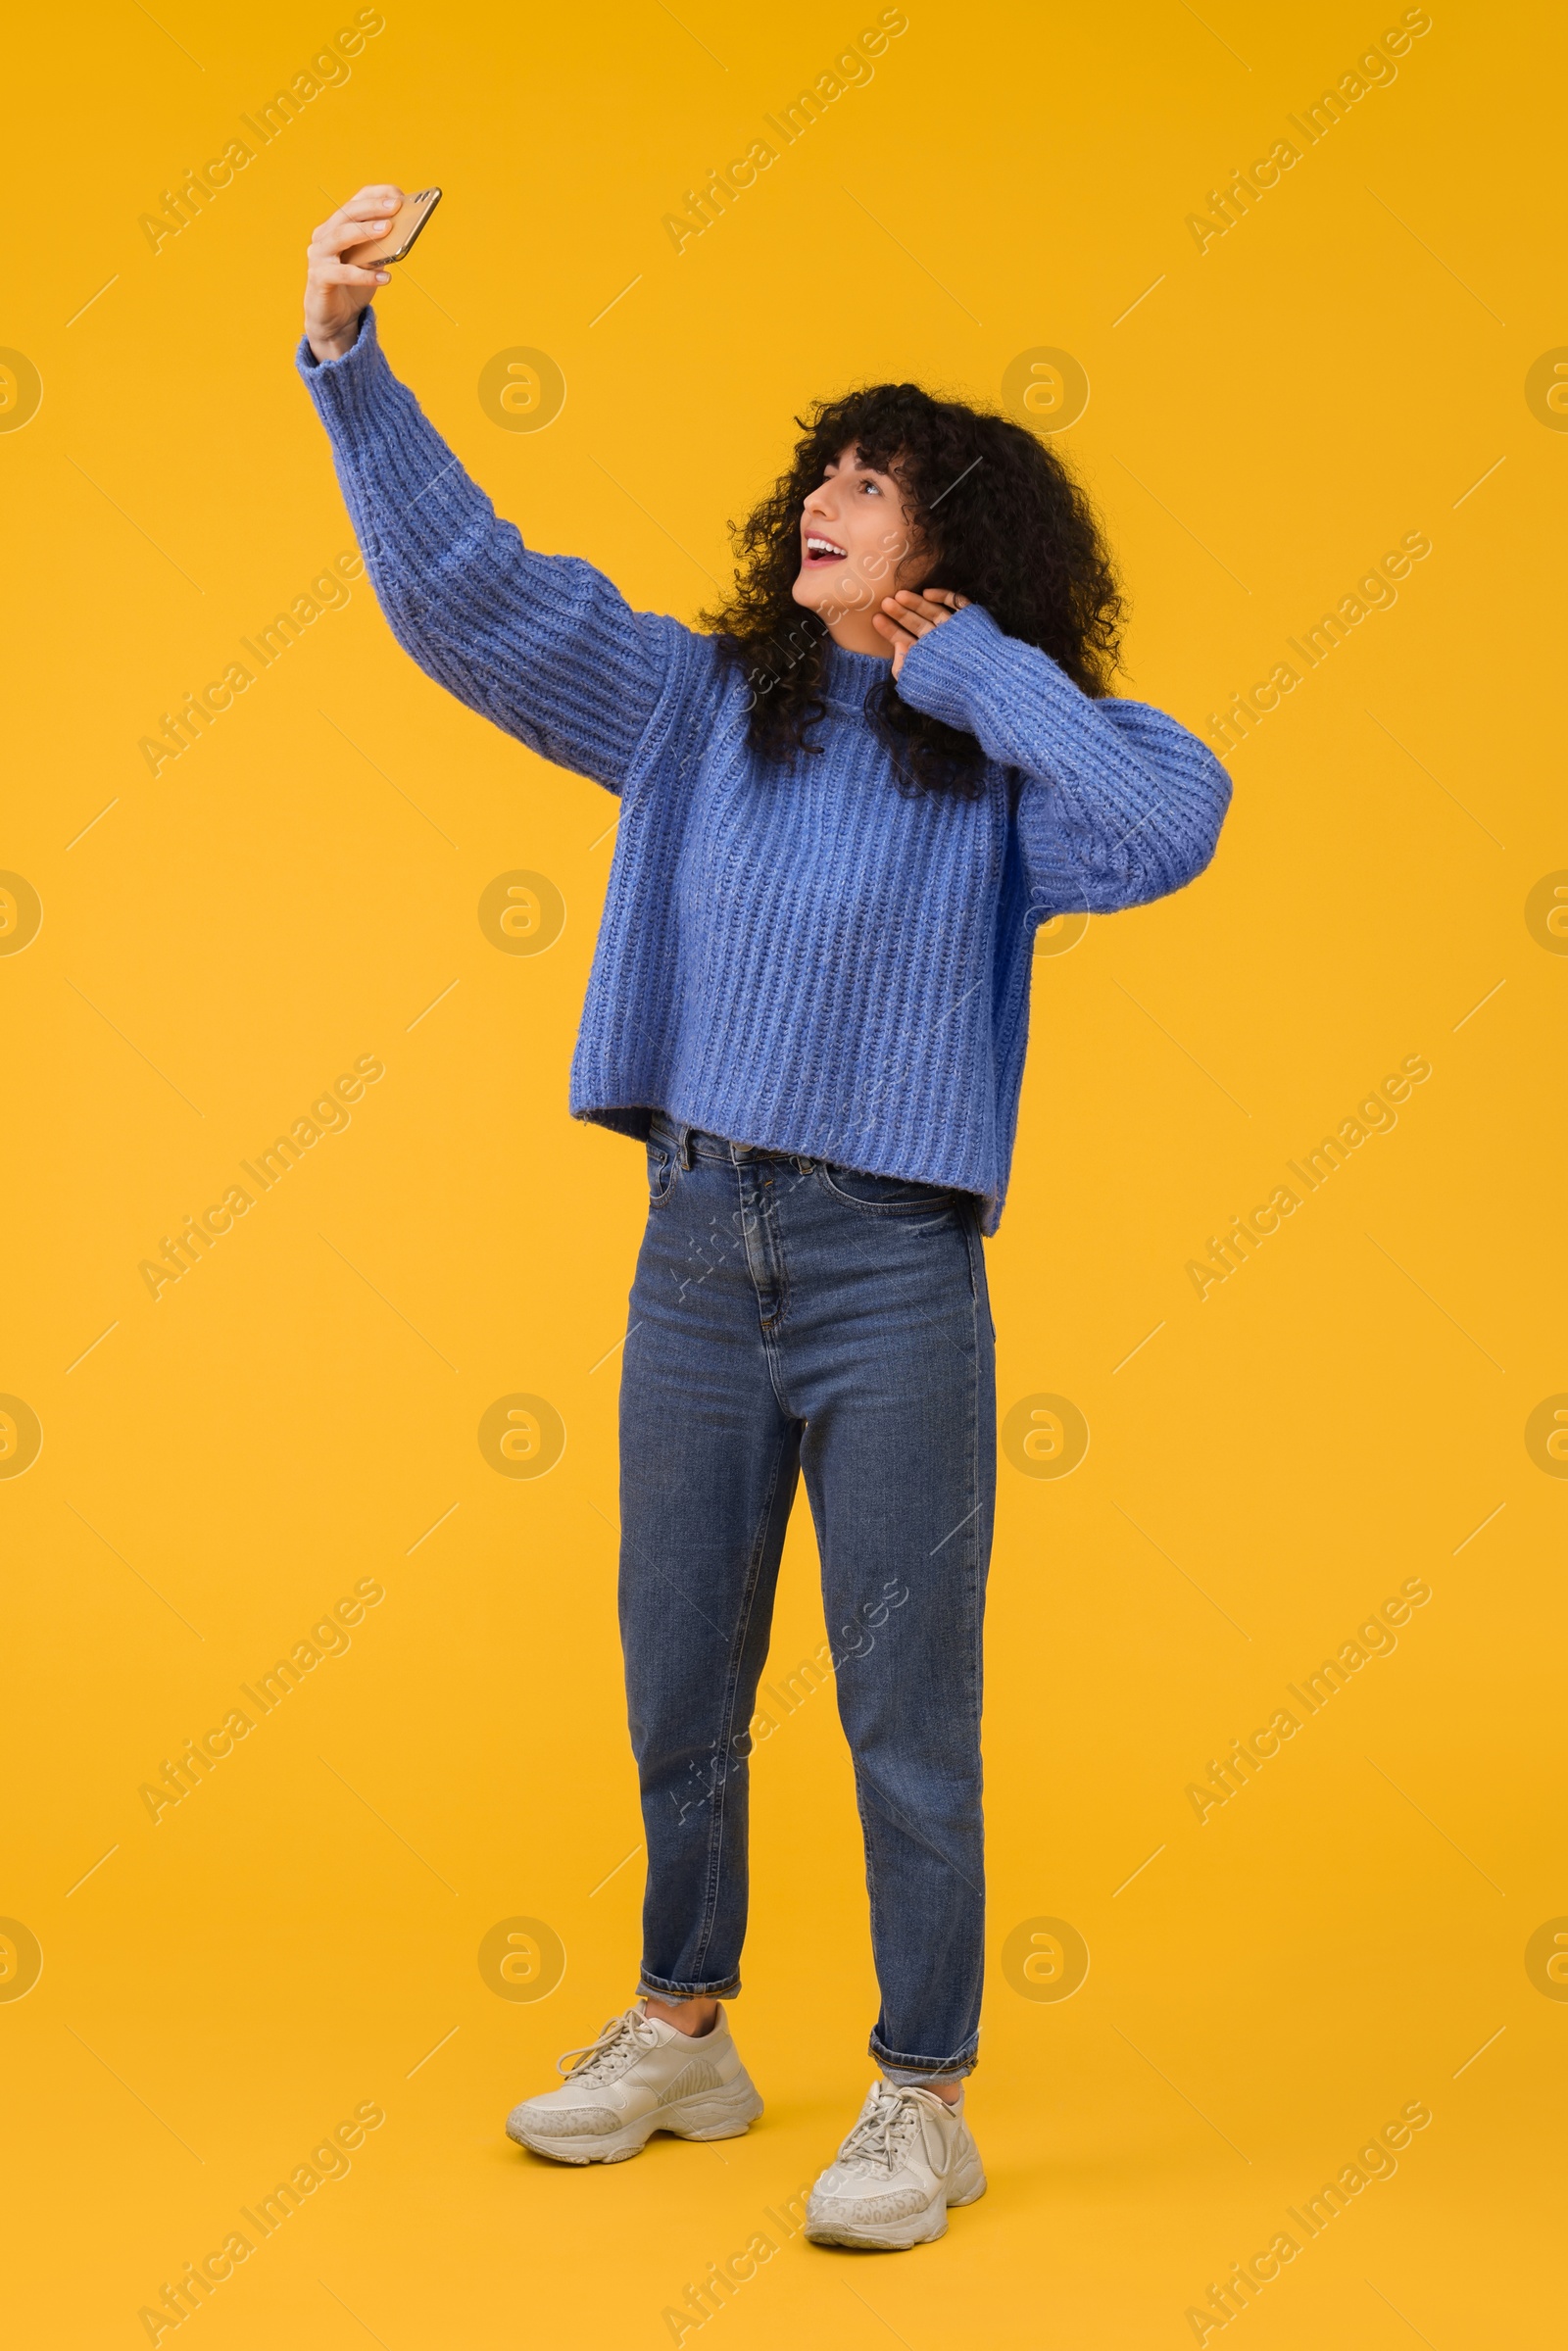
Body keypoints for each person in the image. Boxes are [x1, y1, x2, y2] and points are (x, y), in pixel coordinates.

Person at [300, 183, 1231, 2252]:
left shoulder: (1001, 763)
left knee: (901, 1694)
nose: (821, 495)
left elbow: (1166, 819)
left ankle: (921, 2092)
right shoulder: (696, 712)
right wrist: (348, 361)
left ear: (950, 549)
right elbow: (471, 597)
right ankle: (682, 2026)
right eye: (820, 467)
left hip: (891, 1268)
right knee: (676, 1669)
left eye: (874, 483)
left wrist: (970, 670)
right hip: (693, 1249)